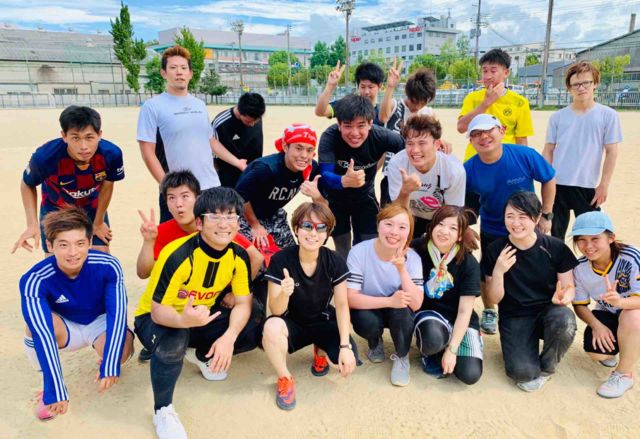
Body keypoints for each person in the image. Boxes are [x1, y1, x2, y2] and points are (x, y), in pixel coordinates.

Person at [134, 187, 263, 439]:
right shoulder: (178, 255)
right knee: (174, 339)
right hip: (157, 318)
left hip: (198, 316)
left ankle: (201, 353)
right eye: (214, 216)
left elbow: (244, 303)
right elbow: (157, 311)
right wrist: (182, 320)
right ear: (199, 223)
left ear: (239, 223)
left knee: (254, 317)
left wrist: (228, 338)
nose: (223, 224)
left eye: (231, 216)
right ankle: (163, 410)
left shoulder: (238, 255)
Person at [19, 206, 134, 420]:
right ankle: (47, 384)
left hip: (98, 321)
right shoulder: (34, 279)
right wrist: (55, 389)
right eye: (64, 245)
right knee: (32, 327)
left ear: (89, 242)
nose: (73, 253)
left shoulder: (108, 265)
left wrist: (110, 361)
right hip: (66, 326)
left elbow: (117, 314)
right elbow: (43, 333)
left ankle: (106, 356)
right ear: (50, 245)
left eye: (80, 243)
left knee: (121, 352)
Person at [465, 113, 556, 335]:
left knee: (534, 268)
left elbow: (548, 178)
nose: (483, 137)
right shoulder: (469, 169)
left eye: (489, 130)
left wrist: (546, 214)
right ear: (471, 140)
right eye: (476, 134)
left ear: (502, 131)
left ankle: (538, 308)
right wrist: (465, 228)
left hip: (526, 226)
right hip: (492, 227)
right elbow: (464, 204)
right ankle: (490, 310)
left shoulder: (524, 155)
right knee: (488, 271)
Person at [262, 202, 357, 410]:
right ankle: (284, 377)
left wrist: (345, 346)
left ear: (327, 234)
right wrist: (285, 293)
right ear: (296, 229)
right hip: (293, 323)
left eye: (321, 227)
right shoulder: (280, 260)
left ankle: (321, 351)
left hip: (323, 319)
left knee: (343, 362)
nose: (313, 233)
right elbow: (276, 311)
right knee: (271, 327)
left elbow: (342, 305)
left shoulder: (334, 260)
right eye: (307, 226)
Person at [137, 45, 247, 223]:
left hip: (210, 186)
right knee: (176, 239)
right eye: (173, 68)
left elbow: (211, 142)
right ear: (164, 73)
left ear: (190, 73)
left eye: (183, 68)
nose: (179, 72)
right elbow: (147, 152)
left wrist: (238, 162)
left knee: (212, 235)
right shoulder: (153, 106)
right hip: (179, 190)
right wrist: (167, 187)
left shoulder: (199, 105)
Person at [483, 192, 577, 392]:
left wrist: (564, 298)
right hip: (514, 316)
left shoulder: (555, 247)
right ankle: (521, 350)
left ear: (536, 218)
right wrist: (499, 271)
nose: (516, 223)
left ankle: (547, 367)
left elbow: (568, 287)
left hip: (548, 311)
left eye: (523, 216)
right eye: (510, 216)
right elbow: (494, 298)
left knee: (564, 320)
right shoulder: (495, 250)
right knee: (522, 373)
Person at [13, 106, 124, 255]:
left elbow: (108, 185)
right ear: (64, 136)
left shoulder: (111, 154)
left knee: (100, 253)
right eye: (75, 138)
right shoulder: (44, 157)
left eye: (89, 137)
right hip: (55, 209)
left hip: (91, 207)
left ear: (99, 135)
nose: (84, 147)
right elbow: (27, 184)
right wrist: (32, 224)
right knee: (56, 257)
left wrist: (98, 222)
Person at [135, 170, 263, 282]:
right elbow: (143, 273)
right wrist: (148, 241)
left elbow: (256, 257)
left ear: (197, 198)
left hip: (213, 294)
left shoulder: (214, 225)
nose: (178, 204)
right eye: (171, 198)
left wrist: (235, 292)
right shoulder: (160, 231)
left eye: (185, 196)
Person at [543, 62, 623, 240]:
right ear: (569, 88)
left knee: (592, 234)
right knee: (556, 236)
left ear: (595, 83)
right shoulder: (557, 117)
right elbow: (548, 150)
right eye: (576, 84)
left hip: (587, 185)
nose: (581, 88)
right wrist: (547, 180)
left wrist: (604, 185)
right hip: (558, 184)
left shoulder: (608, 115)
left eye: (586, 82)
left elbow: (611, 152)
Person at [319, 94, 405, 257]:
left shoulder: (381, 136)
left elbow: (411, 149)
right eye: (347, 126)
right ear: (339, 124)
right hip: (336, 198)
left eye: (361, 126)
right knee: (342, 249)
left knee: (369, 246)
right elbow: (325, 175)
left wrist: (435, 149)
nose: (355, 133)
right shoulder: (330, 137)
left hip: (365, 198)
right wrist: (343, 181)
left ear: (370, 123)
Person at [347, 203, 423, 386]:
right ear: (378, 225)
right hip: (370, 306)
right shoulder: (359, 252)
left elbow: (416, 304)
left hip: (397, 309)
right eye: (388, 224)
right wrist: (389, 301)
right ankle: (375, 342)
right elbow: (351, 298)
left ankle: (402, 356)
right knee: (365, 321)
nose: (394, 232)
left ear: (409, 233)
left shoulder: (413, 258)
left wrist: (402, 269)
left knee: (403, 308)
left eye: (402, 227)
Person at [571, 211, 640, 398]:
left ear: (611, 238)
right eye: (581, 240)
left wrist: (620, 301)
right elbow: (580, 305)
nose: (588, 246)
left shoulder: (631, 256)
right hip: (609, 312)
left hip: (634, 312)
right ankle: (628, 345)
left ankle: (624, 375)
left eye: (595, 239)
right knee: (598, 353)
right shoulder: (579, 267)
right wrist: (597, 326)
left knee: (632, 315)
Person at [411, 206, 482, 385]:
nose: (444, 231)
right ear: (432, 226)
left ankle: (449, 345)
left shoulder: (469, 263)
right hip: (430, 317)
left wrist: (452, 350)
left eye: (452, 228)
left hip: (459, 319)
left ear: (460, 235)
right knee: (432, 337)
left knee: (470, 374)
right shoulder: (416, 248)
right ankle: (431, 352)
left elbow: (465, 311)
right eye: (440, 224)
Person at [235, 123, 325, 250]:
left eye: (309, 150)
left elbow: (326, 207)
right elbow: (239, 196)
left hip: (274, 214)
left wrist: (317, 196)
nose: (304, 155)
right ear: (285, 147)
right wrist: (255, 225)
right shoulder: (266, 169)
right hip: (245, 215)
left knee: (292, 254)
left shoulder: (311, 168)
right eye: (298, 148)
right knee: (255, 256)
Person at [387, 115, 465, 238]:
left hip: (440, 219)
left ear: (437, 144)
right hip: (409, 216)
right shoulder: (397, 163)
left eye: (422, 143)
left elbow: (452, 213)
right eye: (410, 143)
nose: (415, 150)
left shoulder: (453, 170)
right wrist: (405, 191)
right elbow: (398, 210)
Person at [457, 48, 533, 161]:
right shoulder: (472, 98)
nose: (488, 76)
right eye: (484, 71)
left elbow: (521, 140)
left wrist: (522, 164)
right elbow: (461, 128)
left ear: (506, 73)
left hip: (505, 161)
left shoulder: (520, 102)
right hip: (475, 161)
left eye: (493, 71)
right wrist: (486, 103)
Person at [378, 64, 438, 206]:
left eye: (422, 102)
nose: (417, 106)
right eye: (414, 101)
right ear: (408, 94)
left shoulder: (428, 114)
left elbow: (434, 142)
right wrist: (390, 87)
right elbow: (383, 117)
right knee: (390, 214)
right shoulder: (395, 106)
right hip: (392, 174)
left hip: (420, 177)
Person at [212, 92, 266, 188]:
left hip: (252, 173)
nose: (252, 124)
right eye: (248, 121)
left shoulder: (255, 115)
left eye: (256, 121)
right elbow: (212, 155)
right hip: (229, 179)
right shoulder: (221, 124)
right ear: (240, 112)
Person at [315, 61, 385, 126]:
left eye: (370, 87)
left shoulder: (383, 114)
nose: (366, 92)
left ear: (380, 86)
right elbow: (320, 112)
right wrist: (330, 86)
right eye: (363, 87)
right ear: (358, 86)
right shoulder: (348, 105)